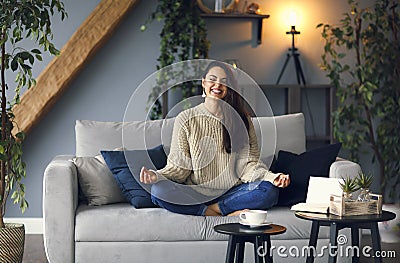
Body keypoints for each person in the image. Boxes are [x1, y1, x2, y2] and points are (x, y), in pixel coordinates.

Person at [140, 61, 290, 216]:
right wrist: (156, 175)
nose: (217, 85)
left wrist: (272, 177)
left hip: (232, 192)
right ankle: (214, 212)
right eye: (212, 79)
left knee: (269, 191)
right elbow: (179, 168)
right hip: (196, 194)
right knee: (158, 191)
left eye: (224, 82)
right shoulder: (186, 118)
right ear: (204, 82)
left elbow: (248, 165)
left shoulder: (242, 119)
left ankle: (217, 209)